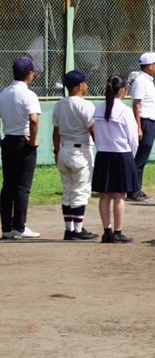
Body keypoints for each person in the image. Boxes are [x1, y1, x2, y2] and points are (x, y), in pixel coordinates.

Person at [91, 75, 140, 244]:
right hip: (121, 154)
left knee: (105, 195)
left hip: (103, 154)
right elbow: (133, 137)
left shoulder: (98, 109)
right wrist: (132, 155)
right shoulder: (124, 110)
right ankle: (118, 232)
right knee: (120, 195)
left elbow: (96, 133)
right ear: (123, 90)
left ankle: (107, 232)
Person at [0, 56, 42, 240]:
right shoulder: (29, 95)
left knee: (8, 185)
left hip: (8, 141)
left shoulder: (4, 93)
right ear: (29, 73)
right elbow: (33, 120)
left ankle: (7, 228)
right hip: (24, 142)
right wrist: (33, 140)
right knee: (23, 186)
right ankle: (20, 227)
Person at [53, 69, 96, 241]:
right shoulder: (86, 105)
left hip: (64, 150)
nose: (87, 85)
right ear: (79, 86)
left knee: (68, 191)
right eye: (85, 82)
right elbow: (93, 130)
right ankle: (77, 230)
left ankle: (69, 229)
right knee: (80, 191)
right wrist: (102, 148)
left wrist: (56, 151)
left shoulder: (59, 105)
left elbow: (56, 132)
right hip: (80, 151)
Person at [127, 51, 155, 202]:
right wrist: (139, 127)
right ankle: (133, 190)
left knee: (143, 157)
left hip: (149, 121)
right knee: (140, 158)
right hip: (144, 122)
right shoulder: (141, 81)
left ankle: (136, 189)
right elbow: (137, 105)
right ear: (149, 66)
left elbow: (149, 104)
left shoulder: (148, 81)